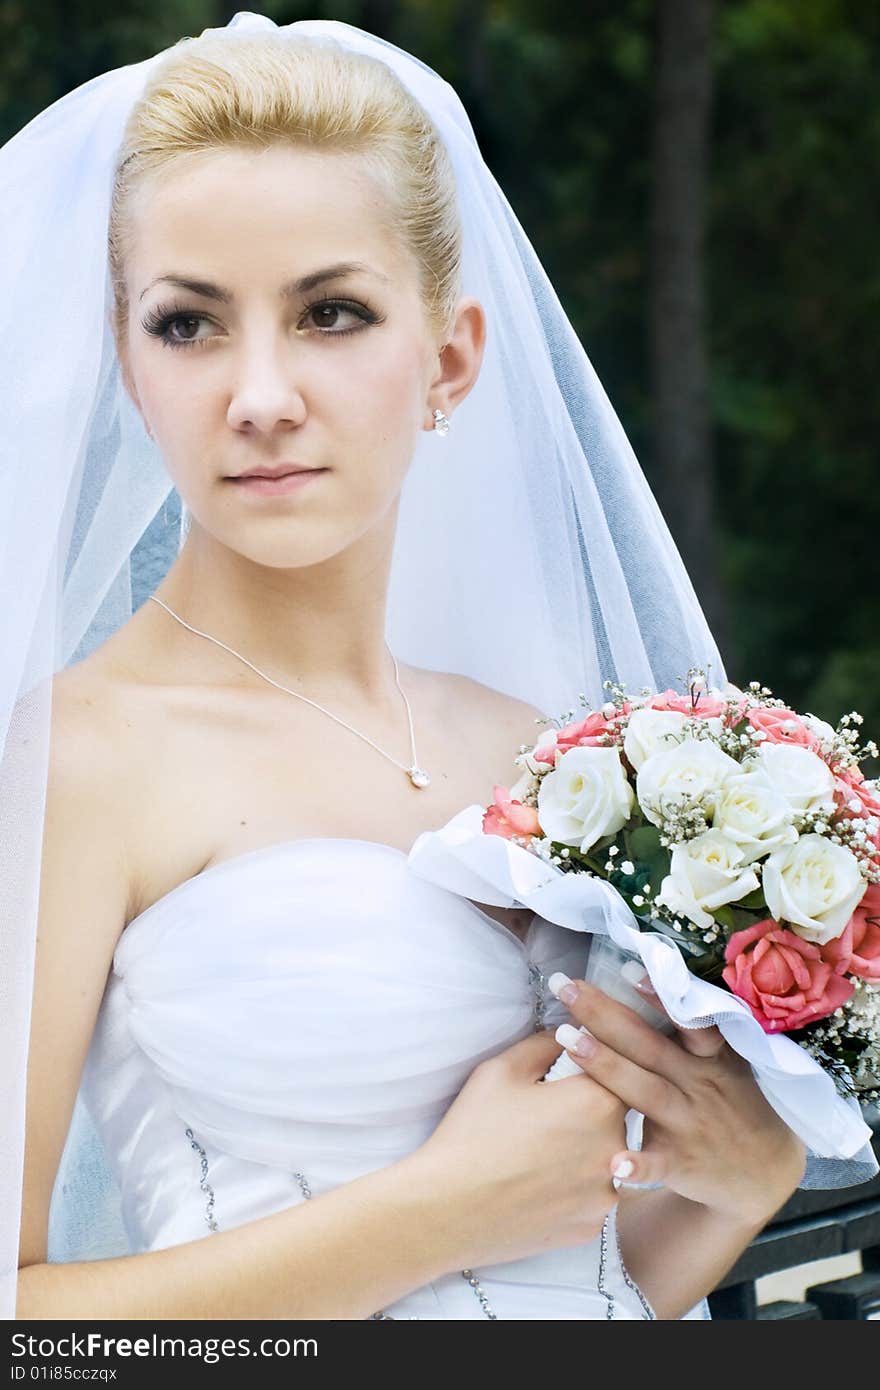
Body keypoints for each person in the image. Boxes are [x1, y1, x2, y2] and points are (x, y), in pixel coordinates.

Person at [2, 14, 806, 1323]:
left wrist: (743, 1180)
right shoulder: (79, 761)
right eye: (190, 325)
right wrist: (447, 1207)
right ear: (127, 364)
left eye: (330, 313)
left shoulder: (550, 752)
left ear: (448, 357)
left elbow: (589, 1281)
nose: (260, 393)